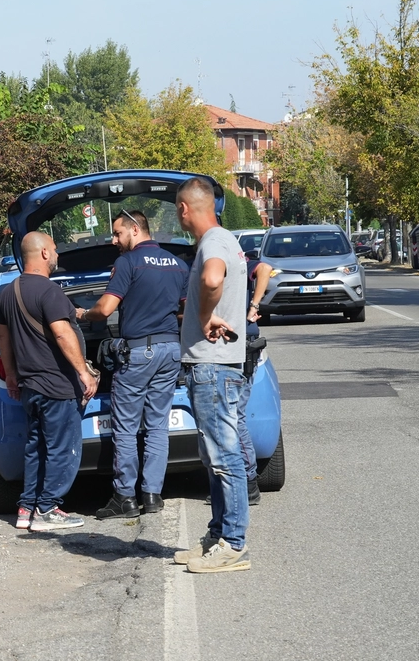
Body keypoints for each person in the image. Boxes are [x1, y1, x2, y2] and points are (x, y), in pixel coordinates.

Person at [77, 209, 188, 519]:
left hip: (140, 352)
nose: (114, 240)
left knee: (125, 427)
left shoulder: (128, 263)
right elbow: (187, 310)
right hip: (171, 350)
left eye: (117, 233)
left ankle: (125, 497)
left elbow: (106, 307)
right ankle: (152, 495)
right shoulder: (178, 264)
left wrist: (85, 314)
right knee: (157, 426)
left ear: (135, 229)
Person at [173, 177, 252, 573]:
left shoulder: (212, 243)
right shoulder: (227, 239)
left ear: (185, 209)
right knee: (214, 456)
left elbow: (211, 279)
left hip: (213, 367)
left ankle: (233, 545)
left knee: (223, 457)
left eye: (177, 210)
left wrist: (203, 316)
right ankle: (218, 536)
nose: (177, 217)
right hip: (215, 367)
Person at [0, 231, 98, 531]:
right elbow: (62, 333)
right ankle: (48, 509)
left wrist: (12, 375)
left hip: (30, 386)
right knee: (61, 448)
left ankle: (27, 508)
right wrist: (84, 372)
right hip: (56, 385)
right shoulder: (50, 292)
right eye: (54, 249)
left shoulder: (9, 292)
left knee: (36, 446)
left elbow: (4, 337)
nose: (57, 255)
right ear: (42, 253)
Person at [238, 252, 274, 505]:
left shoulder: (231, 258)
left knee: (234, 416)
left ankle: (249, 482)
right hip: (239, 344)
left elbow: (265, 268)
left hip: (240, 345)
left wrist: (254, 305)